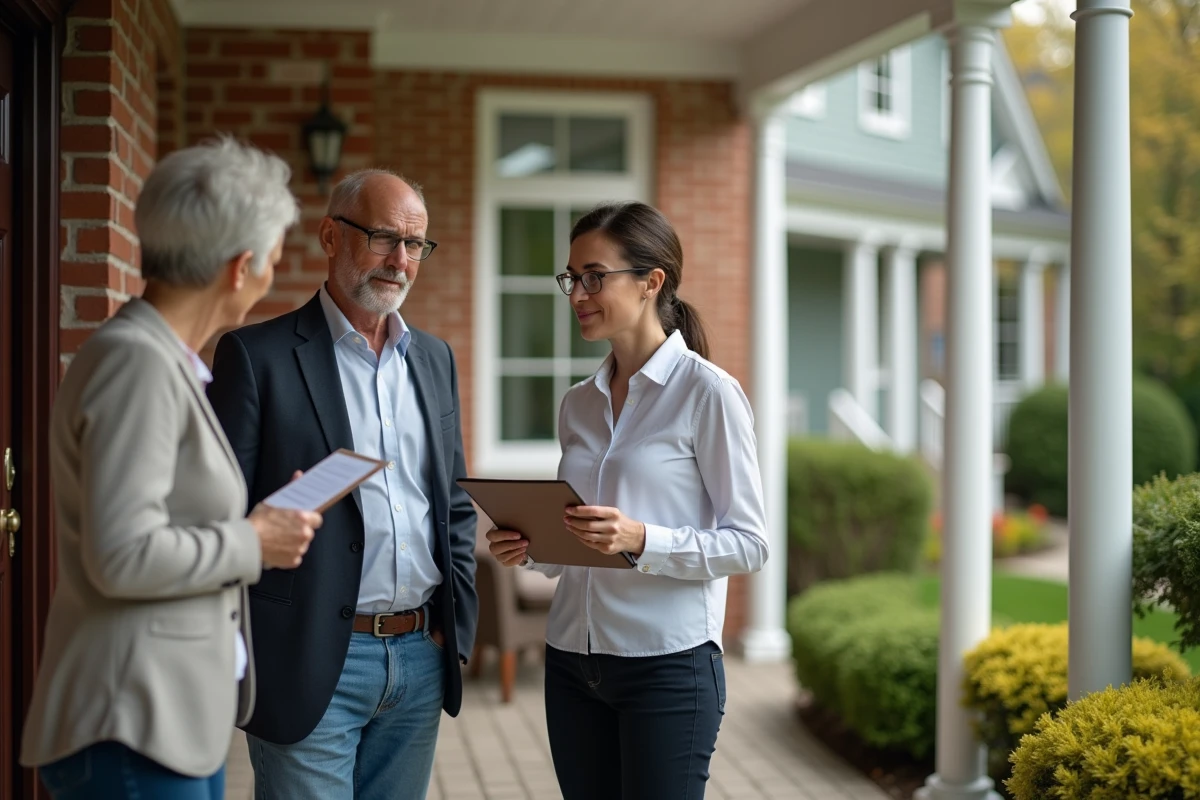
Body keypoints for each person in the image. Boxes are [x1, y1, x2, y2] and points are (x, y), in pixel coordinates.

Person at [19, 137, 321, 800]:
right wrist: (254, 541)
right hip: (132, 723)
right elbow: (122, 554)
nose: (272, 273)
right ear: (241, 268)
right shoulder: (137, 363)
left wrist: (258, 525)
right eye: (273, 258)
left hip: (170, 718)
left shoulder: (168, 360)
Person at [207, 168, 478, 800]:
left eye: (416, 245)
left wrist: (451, 625)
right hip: (308, 660)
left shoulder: (434, 358)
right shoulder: (255, 356)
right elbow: (221, 512)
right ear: (330, 236)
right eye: (385, 238)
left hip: (418, 654)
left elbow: (453, 503)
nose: (401, 261)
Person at [486, 201, 769, 800]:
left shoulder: (708, 394)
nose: (578, 294)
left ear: (651, 282)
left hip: (667, 668)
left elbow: (750, 543)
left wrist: (642, 539)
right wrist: (530, 548)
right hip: (570, 661)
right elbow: (573, 549)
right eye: (571, 278)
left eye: (594, 276)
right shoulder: (578, 404)